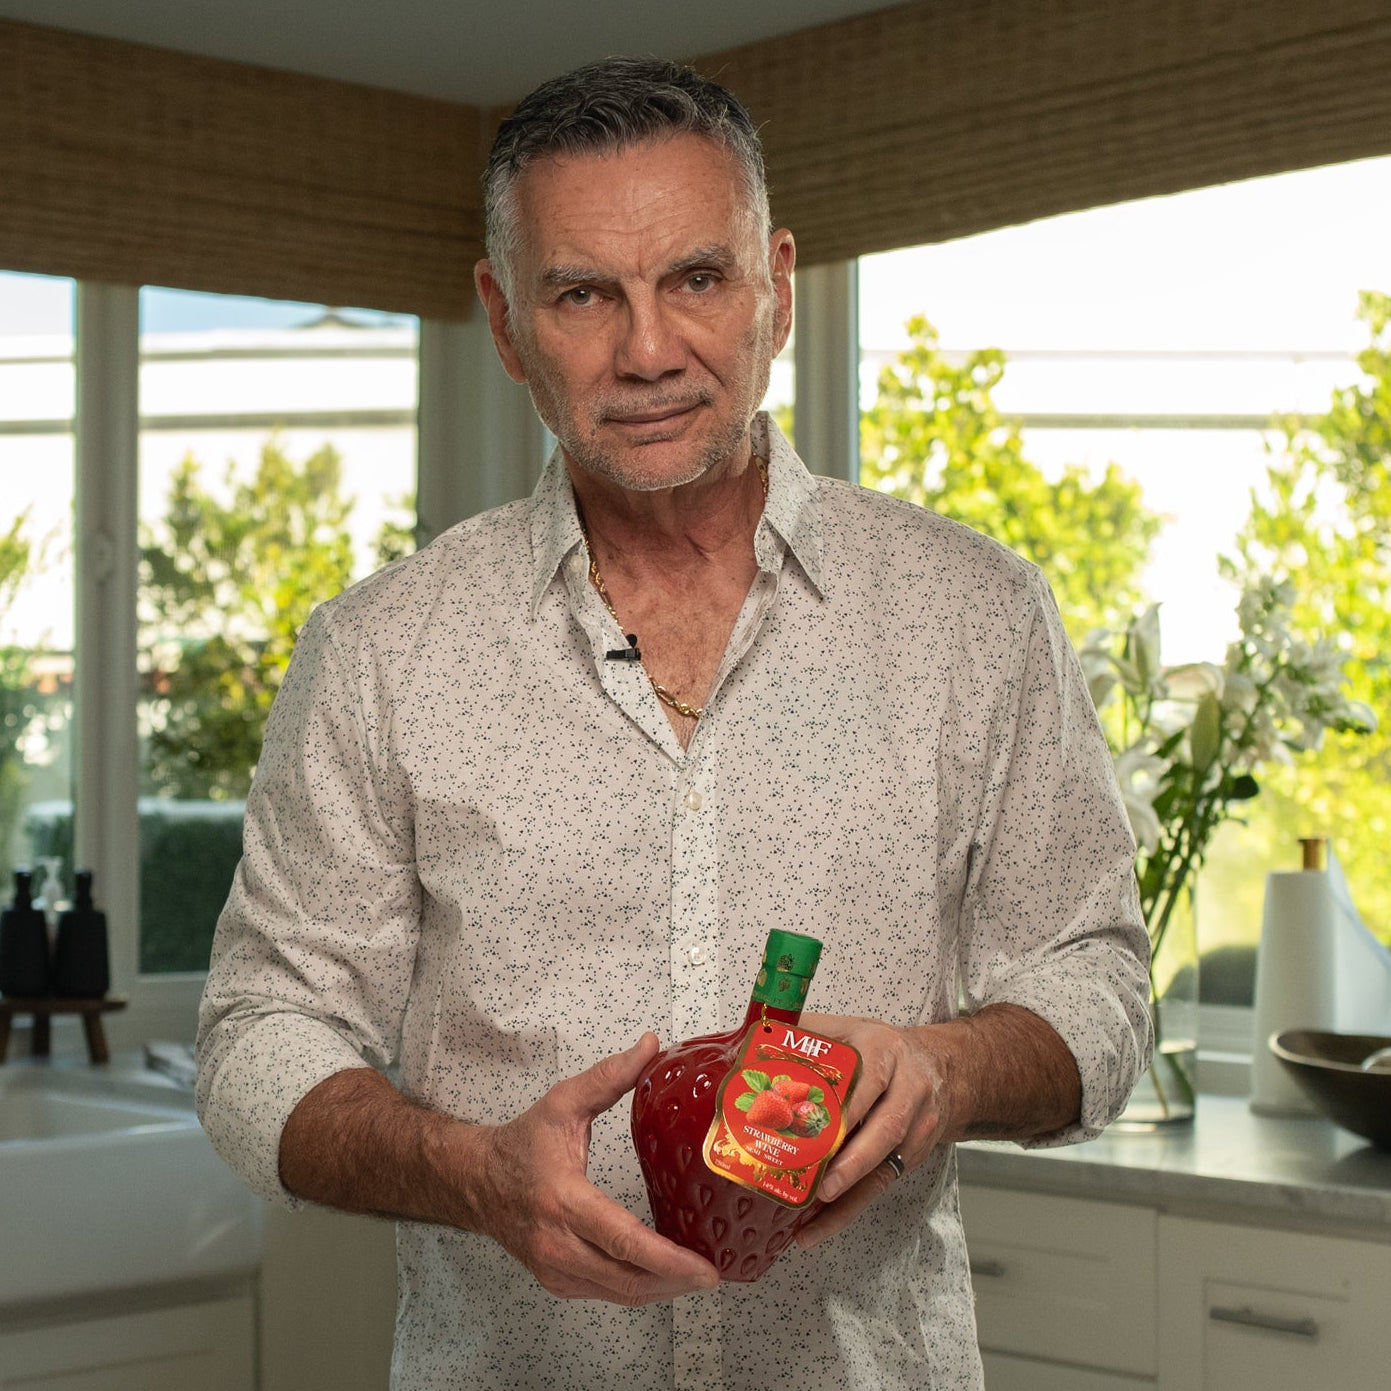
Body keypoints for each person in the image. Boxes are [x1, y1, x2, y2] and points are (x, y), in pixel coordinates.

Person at [196, 56, 1151, 1391]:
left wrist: (952, 1068)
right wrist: (471, 1174)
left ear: (780, 287)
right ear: (503, 318)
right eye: (583, 293)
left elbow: (1098, 985)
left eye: (697, 279)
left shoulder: (972, 615)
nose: (647, 349)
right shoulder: (380, 653)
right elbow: (259, 1035)